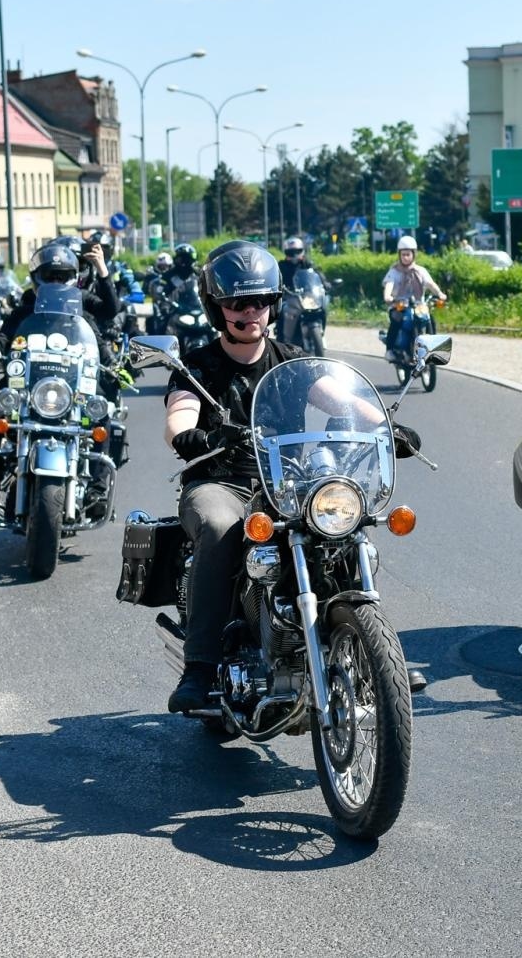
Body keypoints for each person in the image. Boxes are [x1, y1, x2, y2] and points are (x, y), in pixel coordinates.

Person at [162, 240, 420, 712]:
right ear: (217, 308)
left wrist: (384, 424)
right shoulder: (200, 366)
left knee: (345, 522)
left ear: (274, 304)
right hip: (224, 481)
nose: (250, 311)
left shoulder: (292, 360)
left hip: (290, 482)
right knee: (221, 527)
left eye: (259, 300)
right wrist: (188, 436)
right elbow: (181, 412)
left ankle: (380, 658)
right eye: (237, 302)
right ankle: (198, 666)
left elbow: (341, 398)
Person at [381, 235, 445, 359]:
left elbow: (430, 283)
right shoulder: (394, 271)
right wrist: (388, 296)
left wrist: (439, 293)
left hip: (418, 305)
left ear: (413, 254)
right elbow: (389, 284)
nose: (405, 257)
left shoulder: (420, 271)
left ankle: (432, 349)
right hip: (400, 305)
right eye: (403, 254)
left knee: (430, 319)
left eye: (408, 254)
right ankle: (389, 350)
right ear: (399, 255)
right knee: (396, 321)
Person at [277, 236, 324, 344]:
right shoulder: (281, 266)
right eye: (290, 252)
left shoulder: (307, 263)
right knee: (282, 311)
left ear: (302, 251)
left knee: (322, 306)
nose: (294, 255)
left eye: (297, 251)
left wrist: (325, 283)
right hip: (288, 296)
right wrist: (279, 288)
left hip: (307, 296)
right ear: (286, 252)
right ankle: (283, 340)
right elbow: (276, 278)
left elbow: (317, 274)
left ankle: (320, 331)